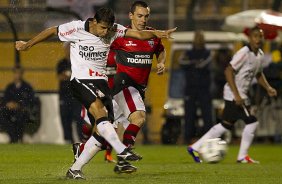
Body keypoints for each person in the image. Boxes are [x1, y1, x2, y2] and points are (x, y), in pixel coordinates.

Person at [16, 7, 175, 179]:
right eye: (103, 28)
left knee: (103, 133)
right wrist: (27, 45)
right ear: (94, 22)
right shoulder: (76, 28)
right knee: (101, 113)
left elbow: (139, 35)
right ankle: (122, 151)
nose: (106, 32)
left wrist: (160, 33)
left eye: (108, 28)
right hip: (81, 81)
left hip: (102, 84)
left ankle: (75, 169)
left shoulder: (114, 30)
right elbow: (51, 31)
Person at [72, 1, 167, 174]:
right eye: (139, 16)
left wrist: (161, 62)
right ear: (131, 16)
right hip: (123, 87)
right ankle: (124, 156)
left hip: (138, 90)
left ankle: (81, 151)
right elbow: (100, 42)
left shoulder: (152, 35)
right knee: (138, 118)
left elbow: (160, 49)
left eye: (146, 16)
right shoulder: (119, 34)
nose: (143, 20)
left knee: (108, 135)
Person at [187, 26, 277, 163]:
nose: (258, 39)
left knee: (225, 125)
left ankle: (195, 147)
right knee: (252, 122)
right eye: (255, 36)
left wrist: (268, 87)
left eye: (260, 36)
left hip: (240, 95)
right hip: (234, 95)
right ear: (250, 38)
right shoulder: (244, 52)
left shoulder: (260, 54)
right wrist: (237, 95)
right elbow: (228, 71)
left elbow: (258, 74)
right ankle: (242, 156)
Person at [179, 30, 213, 144]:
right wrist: (195, 63)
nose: (199, 40)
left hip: (204, 88)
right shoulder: (188, 52)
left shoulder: (207, 53)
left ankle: (209, 138)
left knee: (207, 114)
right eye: (197, 37)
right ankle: (187, 138)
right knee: (189, 114)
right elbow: (181, 62)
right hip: (191, 88)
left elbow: (203, 64)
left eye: (201, 37)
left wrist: (192, 63)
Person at [57, 42, 84, 144]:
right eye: (68, 48)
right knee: (65, 118)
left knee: (79, 118)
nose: (69, 50)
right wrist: (71, 75)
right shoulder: (61, 63)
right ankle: (68, 140)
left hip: (77, 95)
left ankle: (82, 140)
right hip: (64, 96)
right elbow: (60, 77)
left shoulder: (78, 62)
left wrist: (68, 75)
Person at [0, 66, 36, 143]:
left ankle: (19, 138)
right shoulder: (9, 87)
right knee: (3, 114)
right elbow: (5, 99)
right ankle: (12, 138)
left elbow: (30, 100)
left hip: (22, 110)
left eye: (19, 73)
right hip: (10, 109)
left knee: (21, 115)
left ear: (22, 74)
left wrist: (19, 104)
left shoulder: (27, 87)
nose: (17, 75)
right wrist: (8, 104)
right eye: (15, 73)